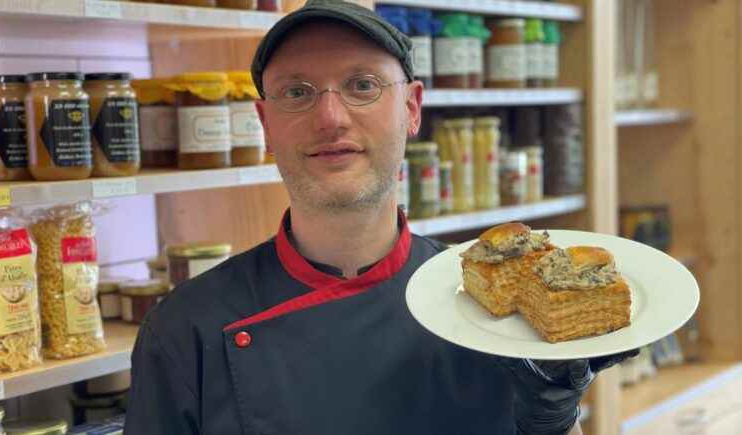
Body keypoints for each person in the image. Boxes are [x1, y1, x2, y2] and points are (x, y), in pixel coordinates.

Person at [125, 1, 636, 434]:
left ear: (412, 109)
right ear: (265, 124)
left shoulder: (497, 310)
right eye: (297, 92)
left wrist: (550, 418)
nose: (330, 118)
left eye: (363, 85)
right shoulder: (185, 329)